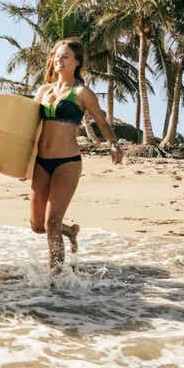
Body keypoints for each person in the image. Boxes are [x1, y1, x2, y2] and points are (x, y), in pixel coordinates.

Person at [32, 39, 123, 270]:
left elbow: (101, 122)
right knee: (38, 225)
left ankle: (57, 280)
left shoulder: (82, 92)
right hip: (41, 162)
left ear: (77, 62)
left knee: (52, 223)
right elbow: (27, 126)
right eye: (56, 56)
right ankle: (70, 231)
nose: (58, 61)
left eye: (65, 57)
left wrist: (113, 144)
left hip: (67, 162)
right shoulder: (44, 91)